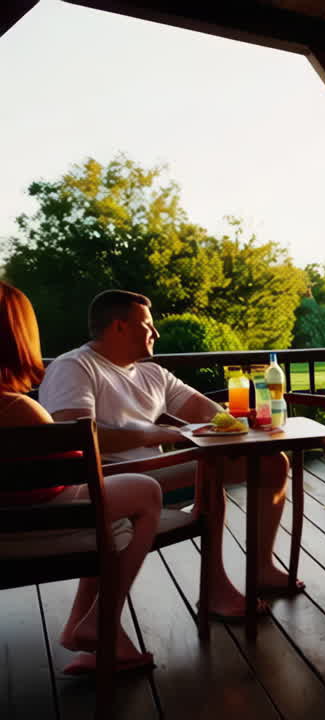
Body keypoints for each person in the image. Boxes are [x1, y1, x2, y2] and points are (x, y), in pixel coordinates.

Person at [39, 290, 299, 621]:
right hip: (107, 479)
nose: (156, 333)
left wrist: (240, 421)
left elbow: (204, 411)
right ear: (119, 327)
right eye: (148, 324)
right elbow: (74, 437)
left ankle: (261, 567)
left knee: (271, 463)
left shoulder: (152, 373)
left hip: (156, 471)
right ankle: (215, 589)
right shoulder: (75, 367)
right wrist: (159, 433)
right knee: (208, 469)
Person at [0, 282, 162, 674]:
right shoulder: (18, 410)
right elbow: (73, 473)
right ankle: (101, 618)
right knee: (144, 494)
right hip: (25, 528)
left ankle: (83, 624)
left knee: (110, 504)